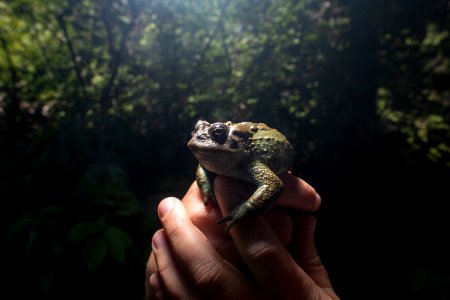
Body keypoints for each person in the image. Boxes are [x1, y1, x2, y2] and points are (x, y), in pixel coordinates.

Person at [146, 174, 340, 299]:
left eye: (218, 134)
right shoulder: (214, 158)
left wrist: (243, 210)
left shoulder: (249, 157)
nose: (197, 139)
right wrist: (206, 189)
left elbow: (273, 183)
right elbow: (203, 167)